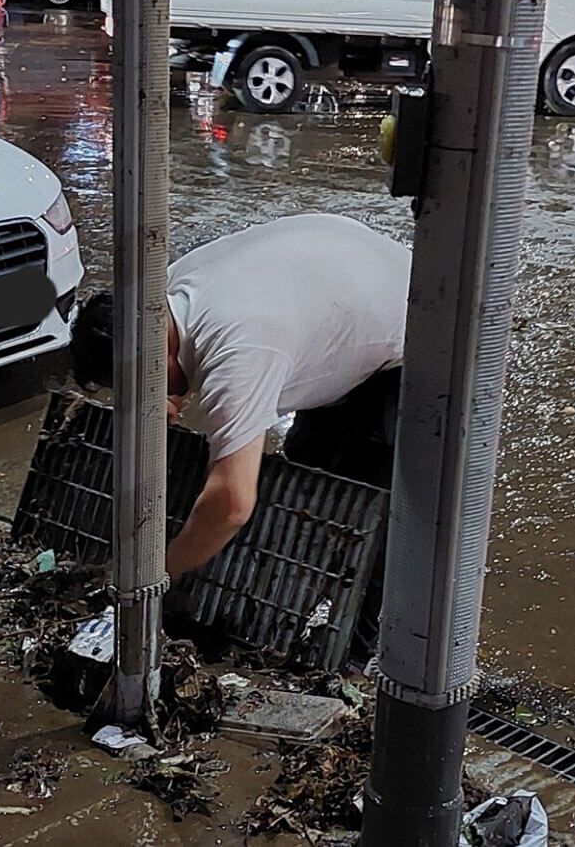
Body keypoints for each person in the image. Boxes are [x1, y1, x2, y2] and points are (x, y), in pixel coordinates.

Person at [71, 213, 410, 645]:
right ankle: (306, 612)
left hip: (418, 330)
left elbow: (232, 502)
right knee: (309, 472)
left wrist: (157, 572)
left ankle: (362, 654)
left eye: (134, 389)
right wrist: (169, 398)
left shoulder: (238, 352)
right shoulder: (168, 296)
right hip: (342, 285)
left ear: (149, 361)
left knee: (376, 515)